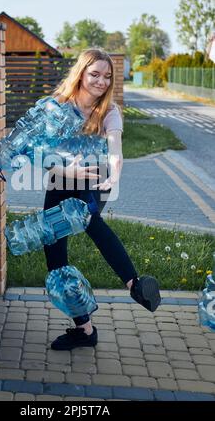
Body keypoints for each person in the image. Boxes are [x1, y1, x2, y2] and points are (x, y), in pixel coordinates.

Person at [42, 48, 161, 351]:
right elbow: (44, 156)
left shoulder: (109, 110)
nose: (101, 81)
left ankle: (135, 284)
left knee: (89, 217)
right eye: (95, 74)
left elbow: (115, 148)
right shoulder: (60, 106)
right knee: (55, 258)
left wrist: (116, 173)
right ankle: (84, 329)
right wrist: (67, 170)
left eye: (107, 76)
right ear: (81, 73)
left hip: (95, 178)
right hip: (60, 177)